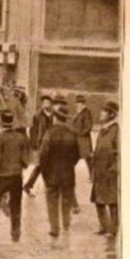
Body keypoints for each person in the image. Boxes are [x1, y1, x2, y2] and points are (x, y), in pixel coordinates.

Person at [0, 110, 30, 242]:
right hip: (16, 176)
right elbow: (25, 160)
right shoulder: (20, 137)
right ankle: (16, 233)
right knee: (16, 205)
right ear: (12, 122)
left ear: (0, 122)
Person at [38, 95, 80, 238]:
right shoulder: (72, 134)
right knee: (67, 200)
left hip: (52, 174)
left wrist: (45, 173)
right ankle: (66, 225)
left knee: (52, 201)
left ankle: (55, 229)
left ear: (55, 117)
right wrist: (69, 166)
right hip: (68, 173)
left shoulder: (49, 133)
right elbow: (77, 155)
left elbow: (43, 156)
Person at [91, 100, 120, 236]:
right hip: (99, 171)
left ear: (111, 114)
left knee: (112, 202)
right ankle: (104, 228)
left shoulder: (115, 130)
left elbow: (119, 153)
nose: (101, 113)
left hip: (109, 172)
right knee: (99, 201)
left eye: (104, 111)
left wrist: (113, 169)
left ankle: (113, 230)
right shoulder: (103, 130)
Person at [24, 92, 55, 195]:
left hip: (51, 143)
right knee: (42, 166)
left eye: (48, 102)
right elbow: (33, 130)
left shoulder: (53, 115)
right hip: (41, 144)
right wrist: (33, 144)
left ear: (51, 104)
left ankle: (29, 185)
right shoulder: (37, 115)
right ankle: (32, 185)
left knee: (43, 166)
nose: (46, 104)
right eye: (44, 102)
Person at [70, 94, 94, 214]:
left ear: (83, 104)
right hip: (77, 141)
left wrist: (79, 133)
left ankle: (93, 175)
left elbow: (88, 127)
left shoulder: (86, 112)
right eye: (76, 103)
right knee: (78, 158)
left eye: (79, 103)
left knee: (88, 158)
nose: (77, 105)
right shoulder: (79, 113)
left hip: (83, 140)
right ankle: (91, 174)